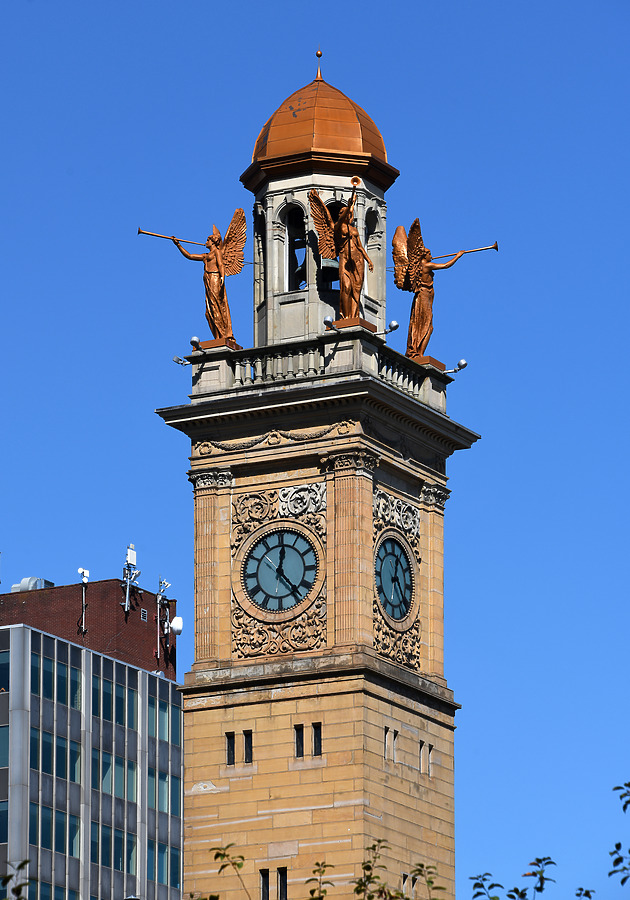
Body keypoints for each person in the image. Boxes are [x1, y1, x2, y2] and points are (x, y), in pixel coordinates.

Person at [172, 232, 235, 341]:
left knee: (217, 306)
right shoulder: (206, 256)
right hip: (208, 280)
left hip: (215, 277)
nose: (205, 242)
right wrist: (178, 245)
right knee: (209, 310)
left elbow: (220, 265)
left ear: (213, 242)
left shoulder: (217, 252)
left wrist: (222, 277)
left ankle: (223, 334)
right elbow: (190, 256)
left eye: (207, 240)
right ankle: (218, 335)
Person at [406, 247, 464, 359]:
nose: (431, 257)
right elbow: (445, 265)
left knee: (424, 324)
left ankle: (419, 351)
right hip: (423, 295)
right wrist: (458, 256)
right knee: (427, 325)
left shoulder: (421, 265)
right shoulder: (426, 265)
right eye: (430, 254)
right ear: (424, 255)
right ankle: (419, 353)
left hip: (426, 295)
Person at [334, 191, 374, 319]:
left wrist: (369, 260)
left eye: (347, 212)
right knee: (346, 287)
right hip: (345, 260)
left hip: (358, 259)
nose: (345, 214)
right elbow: (341, 220)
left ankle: (353, 316)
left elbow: (360, 247)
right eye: (342, 212)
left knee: (356, 290)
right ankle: (345, 316)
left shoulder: (354, 229)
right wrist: (350, 204)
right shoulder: (338, 227)